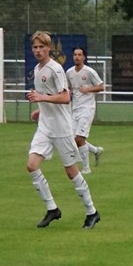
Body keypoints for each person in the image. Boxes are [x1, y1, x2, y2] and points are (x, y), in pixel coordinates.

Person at [26, 31, 101, 230]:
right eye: (35, 47)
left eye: (41, 47)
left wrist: (42, 98)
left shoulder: (56, 69)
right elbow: (47, 96)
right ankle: (52, 208)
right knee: (32, 165)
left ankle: (92, 212)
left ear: (49, 48)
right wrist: (40, 110)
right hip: (45, 127)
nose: (38, 50)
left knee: (71, 171)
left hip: (61, 128)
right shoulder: (37, 69)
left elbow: (65, 97)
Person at [66, 47, 105, 174]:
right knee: (73, 140)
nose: (77, 57)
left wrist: (88, 89)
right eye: (75, 55)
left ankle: (86, 168)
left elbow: (101, 87)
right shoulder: (69, 72)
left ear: (84, 57)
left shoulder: (89, 72)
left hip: (87, 109)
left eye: (79, 55)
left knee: (79, 139)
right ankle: (96, 151)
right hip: (75, 109)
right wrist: (69, 92)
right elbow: (69, 88)